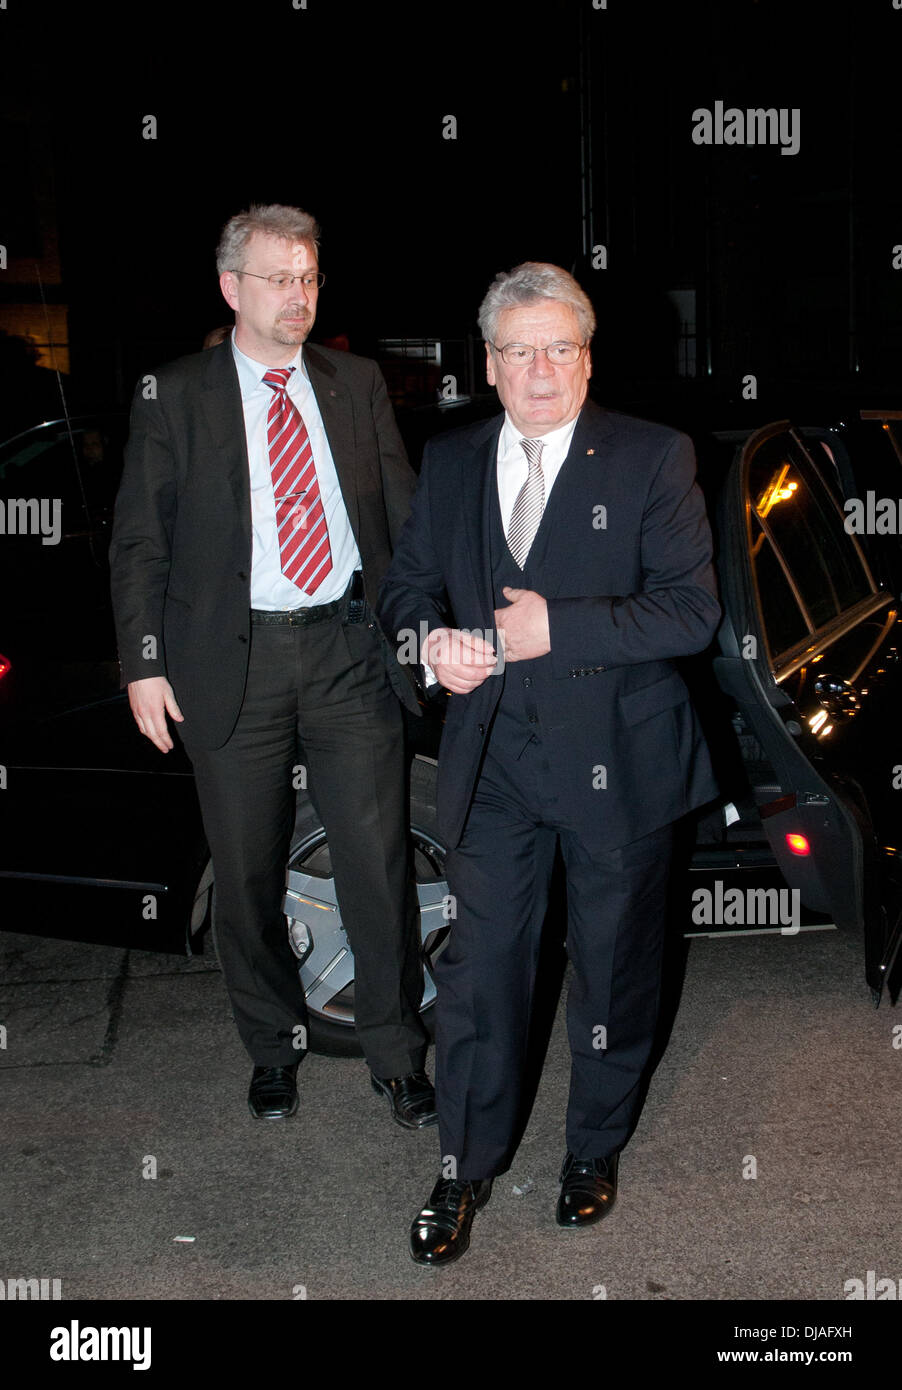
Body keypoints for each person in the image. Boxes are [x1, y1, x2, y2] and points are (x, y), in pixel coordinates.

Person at [378, 262, 721, 1264]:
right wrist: (428, 640)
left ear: (585, 356)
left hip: (620, 759)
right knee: (484, 974)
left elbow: (691, 611)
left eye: (559, 347)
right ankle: (461, 1165)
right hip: (493, 764)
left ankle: (590, 1148)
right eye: (519, 349)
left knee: (613, 971)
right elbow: (402, 587)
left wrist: (555, 629)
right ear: (487, 364)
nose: (540, 368)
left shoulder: (651, 458)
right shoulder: (448, 460)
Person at [110, 204, 436, 1129]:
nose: (298, 296)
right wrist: (144, 663)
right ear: (231, 288)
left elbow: (402, 523)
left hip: (345, 650)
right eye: (278, 279)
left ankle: (396, 1055)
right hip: (231, 663)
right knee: (246, 875)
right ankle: (271, 1049)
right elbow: (140, 542)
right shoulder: (173, 395)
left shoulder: (356, 381)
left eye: (309, 278)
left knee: (378, 865)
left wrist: (422, 628)